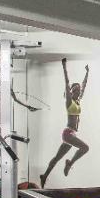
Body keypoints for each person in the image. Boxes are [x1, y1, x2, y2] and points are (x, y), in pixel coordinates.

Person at [40, 58, 91, 186]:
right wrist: (64, 66)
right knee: (85, 148)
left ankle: (44, 175)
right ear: (71, 92)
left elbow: (84, 85)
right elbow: (66, 82)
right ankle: (69, 163)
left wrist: (87, 73)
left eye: (79, 89)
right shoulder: (69, 101)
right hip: (68, 133)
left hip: (71, 134)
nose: (78, 90)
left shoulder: (78, 101)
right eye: (76, 89)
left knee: (57, 158)